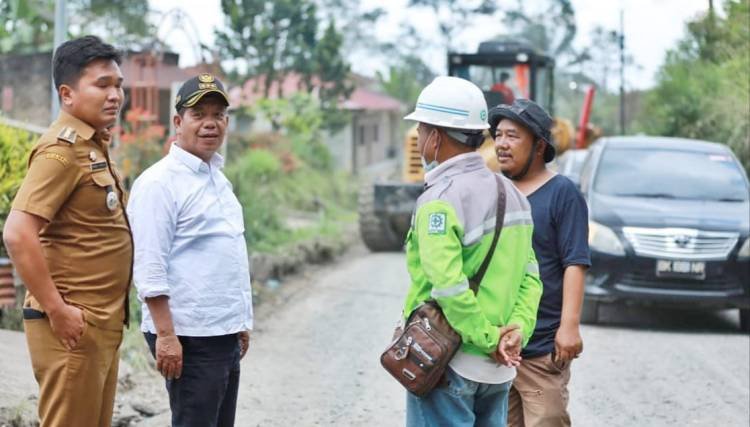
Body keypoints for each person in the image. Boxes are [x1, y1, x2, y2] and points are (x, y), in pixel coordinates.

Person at [400, 76, 543, 427]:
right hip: (497, 372)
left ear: (436, 135)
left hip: (447, 364)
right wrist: (515, 333)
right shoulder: (514, 196)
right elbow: (531, 277)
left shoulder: (439, 200)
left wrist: (488, 338)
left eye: (421, 128)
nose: (418, 137)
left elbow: (447, 287)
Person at [2, 35, 130, 427]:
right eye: (102, 84)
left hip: (98, 325)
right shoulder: (60, 152)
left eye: (119, 85)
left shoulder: (92, 147)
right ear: (67, 93)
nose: (115, 95)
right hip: (72, 327)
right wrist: (58, 311)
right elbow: (18, 232)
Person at [127, 73, 253, 427]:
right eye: (199, 115)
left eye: (218, 115)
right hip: (189, 334)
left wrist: (239, 321)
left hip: (220, 331)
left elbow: (224, 252)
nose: (210, 124)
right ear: (178, 122)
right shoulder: (158, 183)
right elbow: (149, 266)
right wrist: (166, 335)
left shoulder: (217, 178)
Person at [490, 99, 591, 427]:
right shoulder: (495, 190)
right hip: (496, 346)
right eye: (498, 135)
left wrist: (569, 326)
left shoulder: (563, 193)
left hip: (542, 347)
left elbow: (575, 262)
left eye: (513, 136)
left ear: (539, 145)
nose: (502, 144)